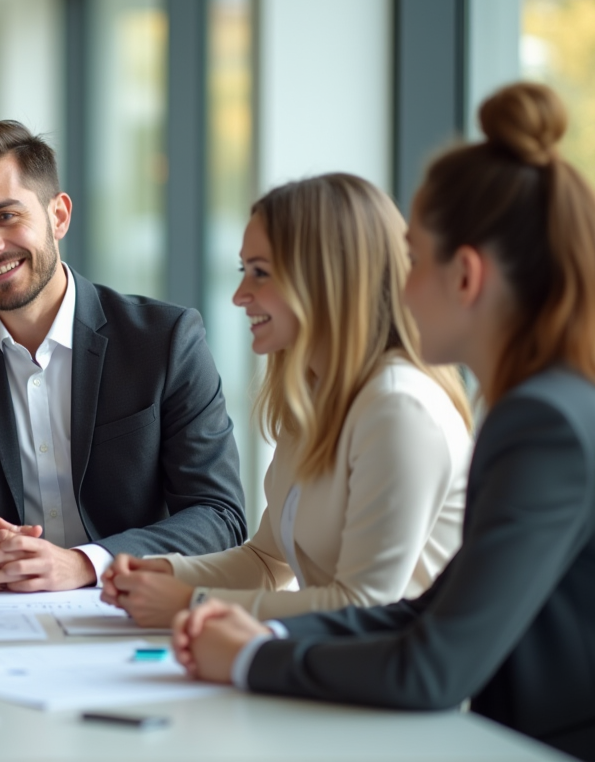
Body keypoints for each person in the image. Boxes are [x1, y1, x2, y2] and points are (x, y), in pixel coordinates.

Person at [171, 82, 595, 761]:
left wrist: (252, 660)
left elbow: (433, 666)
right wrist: (261, 639)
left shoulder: (539, 424)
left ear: (467, 276)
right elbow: (430, 613)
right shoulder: (544, 407)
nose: (397, 285)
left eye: (415, 261)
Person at [0, 118, 247, 591]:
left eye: (6, 216)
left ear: (59, 216)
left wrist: (86, 564)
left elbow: (220, 516)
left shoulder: (165, 340)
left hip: (129, 610)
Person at [100, 173, 473, 627]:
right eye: (244, 271)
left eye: (261, 273)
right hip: (330, 669)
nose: (240, 296)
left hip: (393, 684)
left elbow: (364, 605)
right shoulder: (316, 399)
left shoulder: (399, 409)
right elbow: (267, 562)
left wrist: (190, 603)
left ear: (328, 278)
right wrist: (167, 573)